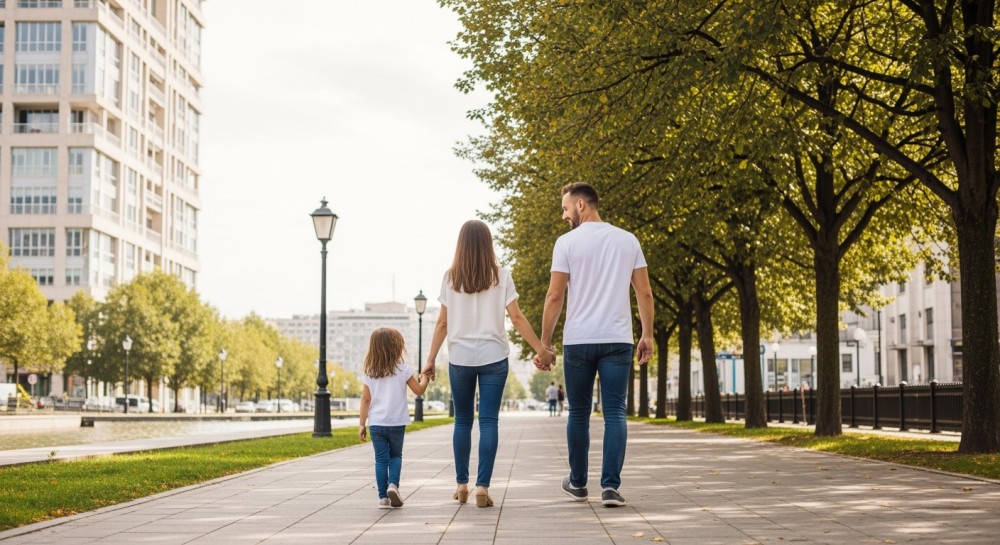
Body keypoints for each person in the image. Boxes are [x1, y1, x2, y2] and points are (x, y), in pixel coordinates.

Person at [536, 182, 654, 508]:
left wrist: (545, 343)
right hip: (618, 339)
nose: (564, 216)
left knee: (578, 413)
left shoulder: (566, 244)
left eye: (565, 209)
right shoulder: (628, 240)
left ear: (581, 206)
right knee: (615, 411)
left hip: (579, 340)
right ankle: (610, 488)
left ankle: (577, 483)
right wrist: (647, 334)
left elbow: (555, 296)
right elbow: (644, 292)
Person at [425, 219, 555, 508]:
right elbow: (517, 318)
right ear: (488, 244)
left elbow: (442, 322)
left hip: (460, 358)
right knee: (489, 422)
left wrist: (430, 359)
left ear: (461, 244)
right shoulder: (501, 276)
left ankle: (461, 485)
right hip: (494, 356)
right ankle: (482, 488)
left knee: (462, 421)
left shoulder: (450, 277)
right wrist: (541, 349)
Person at [358, 328, 430, 509]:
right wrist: (426, 377)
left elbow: (366, 400)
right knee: (396, 456)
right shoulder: (403, 370)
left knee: (381, 459)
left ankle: (383, 497)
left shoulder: (369, 373)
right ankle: (393, 485)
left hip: (376, 423)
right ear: (397, 347)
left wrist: (361, 424)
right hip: (397, 422)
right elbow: (419, 390)